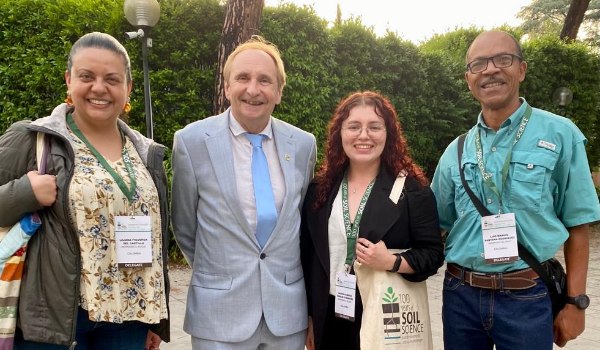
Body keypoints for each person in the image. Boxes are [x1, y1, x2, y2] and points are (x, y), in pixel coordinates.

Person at [0, 32, 170, 349]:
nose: (99, 88)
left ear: (128, 88)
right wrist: (25, 191)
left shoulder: (147, 153)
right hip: (58, 319)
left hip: (129, 318)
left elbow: (157, 240)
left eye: (112, 79)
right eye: (86, 76)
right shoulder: (34, 139)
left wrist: (156, 320)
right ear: (69, 80)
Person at [431, 30, 600, 350]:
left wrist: (576, 302)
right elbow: (433, 224)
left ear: (521, 69)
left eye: (503, 59)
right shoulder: (456, 151)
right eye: (478, 64)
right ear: (468, 79)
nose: (491, 69)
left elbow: (579, 224)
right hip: (460, 298)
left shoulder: (561, 135)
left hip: (527, 298)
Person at [171, 35, 317, 349]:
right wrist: (221, 272)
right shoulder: (192, 142)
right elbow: (184, 225)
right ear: (226, 87)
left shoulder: (303, 145)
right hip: (219, 314)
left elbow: (301, 224)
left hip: (286, 314)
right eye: (242, 78)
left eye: (265, 80)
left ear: (279, 91)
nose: (253, 89)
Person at [300, 91, 445, 350]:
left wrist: (391, 261)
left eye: (374, 127)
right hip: (328, 314)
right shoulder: (320, 190)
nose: (364, 135)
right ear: (340, 133)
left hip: (383, 314)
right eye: (354, 126)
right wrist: (310, 317)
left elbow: (433, 254)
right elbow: (309, 258)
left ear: (388, 133)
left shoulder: (412, 191)